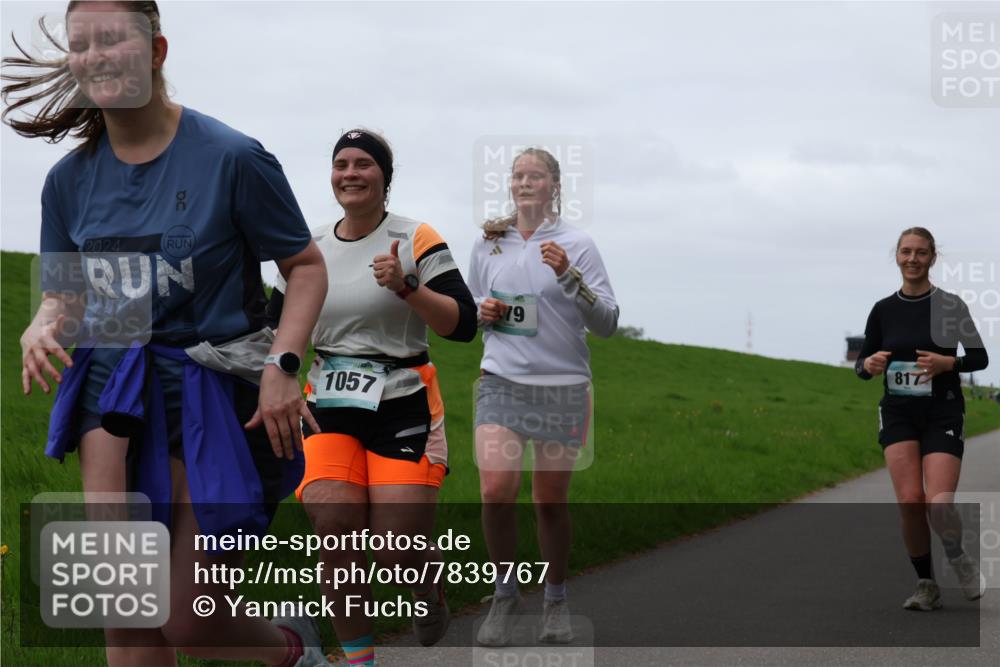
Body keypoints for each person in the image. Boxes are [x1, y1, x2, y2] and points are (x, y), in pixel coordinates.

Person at [5, 2, 331, 665]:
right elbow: (65, 294)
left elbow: (304, 267)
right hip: (113, 386)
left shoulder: (233, 158)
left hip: (211, 389)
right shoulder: (68, 182)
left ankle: (293, 649)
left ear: (156, 50)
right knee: (123, 609)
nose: (94, 54)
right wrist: (42, 322)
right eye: (80, 43)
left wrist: (283, 365)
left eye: (112, 39)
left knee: (188, 618)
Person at [267, 128, 477, 666]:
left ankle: (425, 585)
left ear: (384, 177)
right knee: (334, 532)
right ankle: (360, 660)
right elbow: (272, 327)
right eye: (342, 164)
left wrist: (408, 288)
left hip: (403, 399)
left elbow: (463, 324)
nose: (351, 173)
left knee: (393, 547)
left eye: (364, 164)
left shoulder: (416, 237)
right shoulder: (306, 247)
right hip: (328, 403)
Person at [468, 147, 619, 645]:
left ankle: (555, 599)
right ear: (510, 186)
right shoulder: (489, 243)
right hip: (501, 382)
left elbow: (609, 323)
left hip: (561, 387)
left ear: (555, 186)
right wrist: (482, 311)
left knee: (549, 501)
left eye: (536, 176)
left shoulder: (577, 243)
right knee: (496, 491)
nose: (525, 183)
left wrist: (569, 277)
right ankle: (506, 593)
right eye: (518, 176)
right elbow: (467, 310)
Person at [856, 227, 989, 611]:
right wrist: (869, 363)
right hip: (898, 412)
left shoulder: (949, 305)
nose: (912, 259)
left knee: (939, 503)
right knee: (911, 501)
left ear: (933, 258)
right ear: (897, 256)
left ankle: (958, 558)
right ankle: (926, 584)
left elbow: (979, 358)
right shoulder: (883, 309)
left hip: (942, 410)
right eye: (906, 252)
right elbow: (862, 367)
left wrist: (950, 362)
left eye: (921, 253)